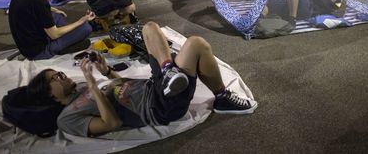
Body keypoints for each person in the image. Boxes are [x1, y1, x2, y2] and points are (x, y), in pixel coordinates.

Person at [27, 21, 258, 137]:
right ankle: (221, 96)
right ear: (49, 94)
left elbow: (117, 88)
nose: (61, 74)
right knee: (196, 45)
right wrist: (92, 85)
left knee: (149, 28)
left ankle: (168, 71)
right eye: (55, 77)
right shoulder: (66, 118)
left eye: (58, 72)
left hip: (156, 86)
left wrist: (106, 72)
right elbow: (111, 123)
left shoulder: (78, 90)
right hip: (158, 106)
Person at [261, 0, 348, 27]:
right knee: (266, 2)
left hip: (306, 9)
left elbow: (341, 13)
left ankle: (292, 19)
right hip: (290, 7)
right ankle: (261, 20)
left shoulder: (329, 7)